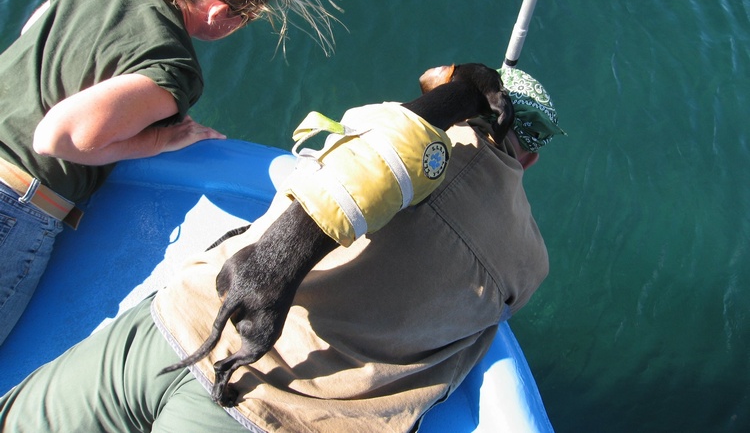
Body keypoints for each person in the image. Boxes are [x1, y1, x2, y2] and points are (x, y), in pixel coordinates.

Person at [0, 66, 565, 433]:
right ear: (532, 159)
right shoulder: (529, 262)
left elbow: (380, 145)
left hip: (182, 323)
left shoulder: (382, 130)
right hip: (276, 413)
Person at [0, 0, 341, 346]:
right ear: (220, 13)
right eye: (246, 17)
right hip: (15, 199)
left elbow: (36, 27)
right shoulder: (174, 67)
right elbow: (55, 138)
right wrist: (164, 136)